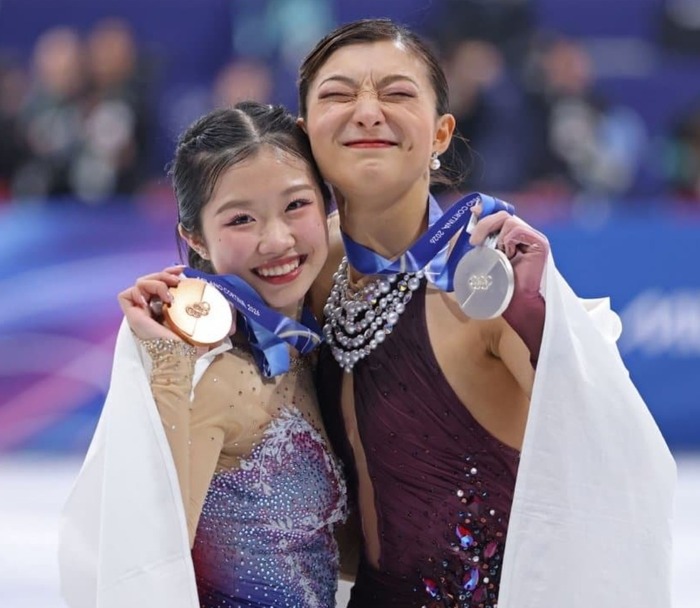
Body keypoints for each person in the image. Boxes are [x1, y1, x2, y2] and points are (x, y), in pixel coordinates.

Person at [297, 18, 676, 608]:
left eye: (397, 93)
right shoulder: (303, 267)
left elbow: (611, 459)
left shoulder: (487, 279)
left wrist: (540, 322)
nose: (367, 112)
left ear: (441, 133)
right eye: (338, 95)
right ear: (305, 133)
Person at [58, 102, 348, 608]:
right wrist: (169, 370)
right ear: (195, 238)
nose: (276, 239)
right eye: (241, 219)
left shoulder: (302, 348)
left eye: (296, 205)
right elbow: (149, 569)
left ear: (327, 205)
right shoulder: (214, 382)